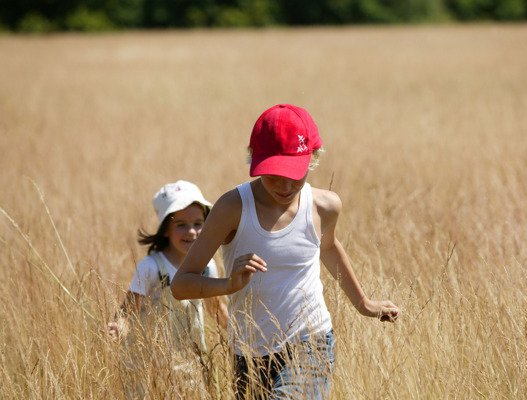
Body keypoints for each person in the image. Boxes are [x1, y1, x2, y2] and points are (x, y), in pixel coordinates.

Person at [171, 104, 399, 399]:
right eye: (274, 173)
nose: (285, 184)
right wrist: (229, 285)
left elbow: (328, 248)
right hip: (249, 354)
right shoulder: (233, 207)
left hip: (310, 343)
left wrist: (364, 304)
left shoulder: (324, 206)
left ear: (313, 159)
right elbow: (181, 285)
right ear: (254, 159)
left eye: (295, 173)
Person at [107, 180, 228, 352]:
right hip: (153, 364)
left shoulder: (207, 267)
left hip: (193, 363)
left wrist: (245, 331)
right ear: (165, 229)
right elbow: (127, 311)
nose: (192, 231)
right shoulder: (151, 267)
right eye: (181, 225)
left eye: (198, 224)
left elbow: (215, 309)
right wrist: (119, 327)